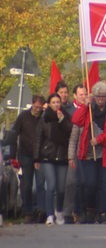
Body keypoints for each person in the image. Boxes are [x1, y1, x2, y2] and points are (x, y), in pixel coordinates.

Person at [72, 81, 106, 223]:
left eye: (103, 97)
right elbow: (76, 120)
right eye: (98, 97)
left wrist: (100, 139)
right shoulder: (88, 108)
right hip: (88, 154)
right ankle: (90, 209)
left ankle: (103, 212)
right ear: (94, 97)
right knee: (90, 184)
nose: (100, 99)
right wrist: (84, 106)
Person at [34, 93, 73, 225]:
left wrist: (62, 120)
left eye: (58, 102)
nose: (56, 104)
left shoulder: (66, 116)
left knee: (61, 188)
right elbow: (38, 138)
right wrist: (36, 158)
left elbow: (69, 131)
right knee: (51, 186)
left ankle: (59, 211)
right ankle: (50, 215)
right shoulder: (44, 118)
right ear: (49, 104)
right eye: (54, 102)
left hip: (62, 156)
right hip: (47, 156)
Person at [11, 95, 46, 224]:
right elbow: (14, 134)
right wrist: (13, 155)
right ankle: (28, 212)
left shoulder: (44, 117)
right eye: (36, 106)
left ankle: (40, 211)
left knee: (40, 185)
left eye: (40, 107)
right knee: (26, 185)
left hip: (40, 156)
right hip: (25, 154)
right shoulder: (23, 116)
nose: (38, 109)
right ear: (32, 104)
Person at [62, 84, 87, 224]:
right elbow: (73, 137)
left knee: (84, 183)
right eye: (81, 94)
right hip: (73, 152)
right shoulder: (68, 110)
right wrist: (70, 156)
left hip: (87, 153)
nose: (83, 97)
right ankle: (67, 212)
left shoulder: (90, 109)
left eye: (85, 94)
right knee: (71, 183)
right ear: (75, 96)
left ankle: (80, 211)